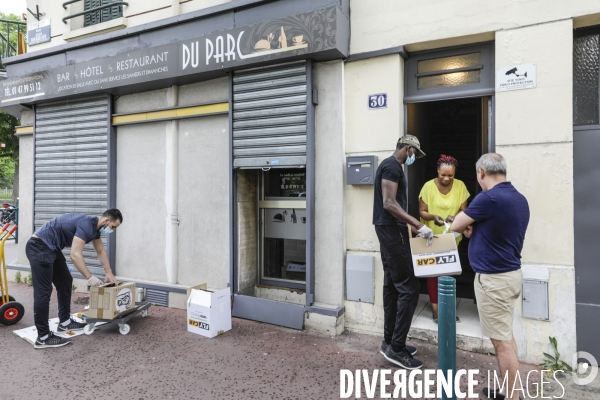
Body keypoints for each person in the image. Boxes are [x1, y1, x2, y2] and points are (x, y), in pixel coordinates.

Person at [451, 154, 529, 400]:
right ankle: (509, 391)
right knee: (506, 336)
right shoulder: (519, 198)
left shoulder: (489, 198)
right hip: (510, 274)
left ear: (481, 173)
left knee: (501, 343)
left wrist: (466, 225)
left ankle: (513, 397)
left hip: (494, 281)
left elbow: (455, 225)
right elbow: (497, 232)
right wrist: (477, 230)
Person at [373, 135, 433, 370]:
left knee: (393, 286)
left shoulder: (390, 166)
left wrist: (410, 227)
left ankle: (390, 342)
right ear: (408, 148)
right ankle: (397, 349)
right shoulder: (392, 166)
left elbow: (390, 204)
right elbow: (389, 203)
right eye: (414, 154)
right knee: (409, 287)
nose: (414, 158)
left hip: (389, 230)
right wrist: (418, 225)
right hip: (391, 230)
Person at [25, 209, 123, 349]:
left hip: (51, 248)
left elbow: (100, 251)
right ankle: (43, 337)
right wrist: (90, 278)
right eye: (113, 227)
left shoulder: (94, 229)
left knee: (65, 281)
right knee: (44, 291)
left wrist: (109, 272)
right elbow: (75, 255)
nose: (112, 231)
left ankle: (65, 322)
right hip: (39, 246)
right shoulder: (87, 225)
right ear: (106, 221)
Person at [418, 154, 469, 323]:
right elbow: (422, 212)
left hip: (452, 238)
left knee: (448, 275)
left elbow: (464, 210)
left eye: (451, 175)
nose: (447, 178)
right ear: (437, 171)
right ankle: (435, 311)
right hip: (431, 238)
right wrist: (433, 217)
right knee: (432, 275)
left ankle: (446, 308)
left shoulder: (460, 186)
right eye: (443, 175)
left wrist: (455, 217)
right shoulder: (427, 186)